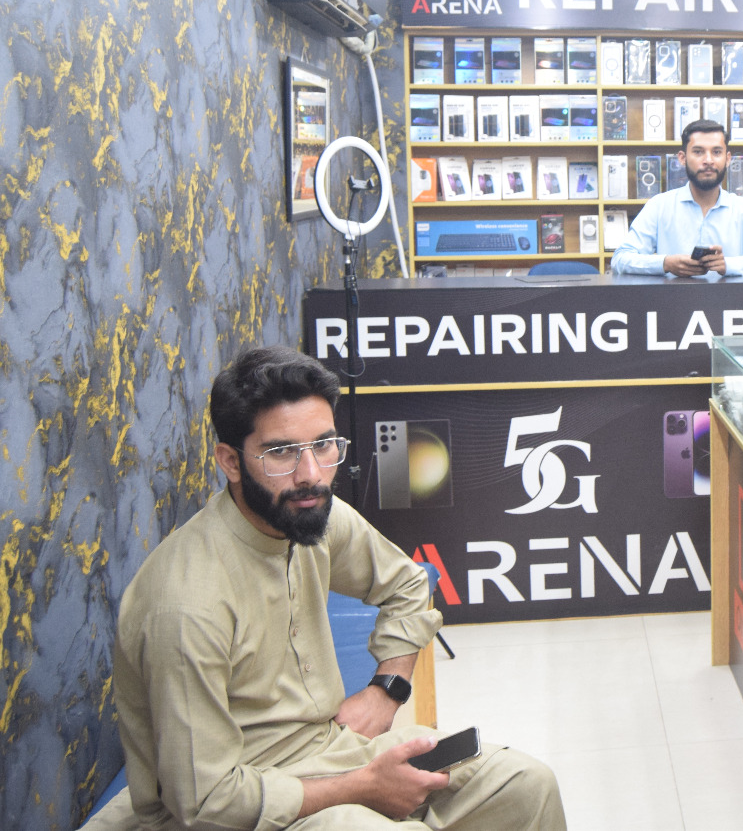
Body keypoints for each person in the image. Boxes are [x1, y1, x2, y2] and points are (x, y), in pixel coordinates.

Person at [97, 346, 565, 830]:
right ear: (230, 461)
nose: (311, 475)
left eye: (324, 445)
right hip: (237, 802)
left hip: (329, 752)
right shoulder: (185, 607)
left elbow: (407, 583)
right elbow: (205, 803)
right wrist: (363, 786)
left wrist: (386, 690)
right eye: (281, 453)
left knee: (526, 785)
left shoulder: (308, 512)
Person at [610, 118, 743, 277]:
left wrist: (728, 265)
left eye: (717, 152)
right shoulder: (659, 206)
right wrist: (665, 263)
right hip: (673, 298)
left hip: (731, 299)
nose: (708, 160)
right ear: (682, 158)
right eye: (698, 152)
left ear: (728, 159)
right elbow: (620, 259)